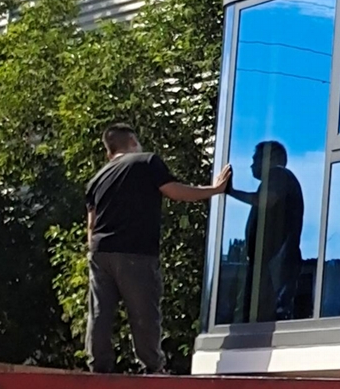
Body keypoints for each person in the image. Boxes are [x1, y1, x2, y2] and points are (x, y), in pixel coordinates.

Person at [84, 124, 232, 373]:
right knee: (143, 311)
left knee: (100, 312)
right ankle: (152, 367)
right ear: (132, 140)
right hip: (135, 251)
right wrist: (214, 190)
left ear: (109, 151)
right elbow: (175, 191)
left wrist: (96, 250)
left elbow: (91, 223)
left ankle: (98, 367)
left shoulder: (96, 179)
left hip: (100, 251)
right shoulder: (146, 162)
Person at [227, 140, 308, 321]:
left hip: (275, 265)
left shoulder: (279, 175)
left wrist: (230, 191)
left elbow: (265, 200)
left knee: (264, 319)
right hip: (270, 264)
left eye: (256, 158)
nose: (252, 164)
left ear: (272, 158)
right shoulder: (278, 179)